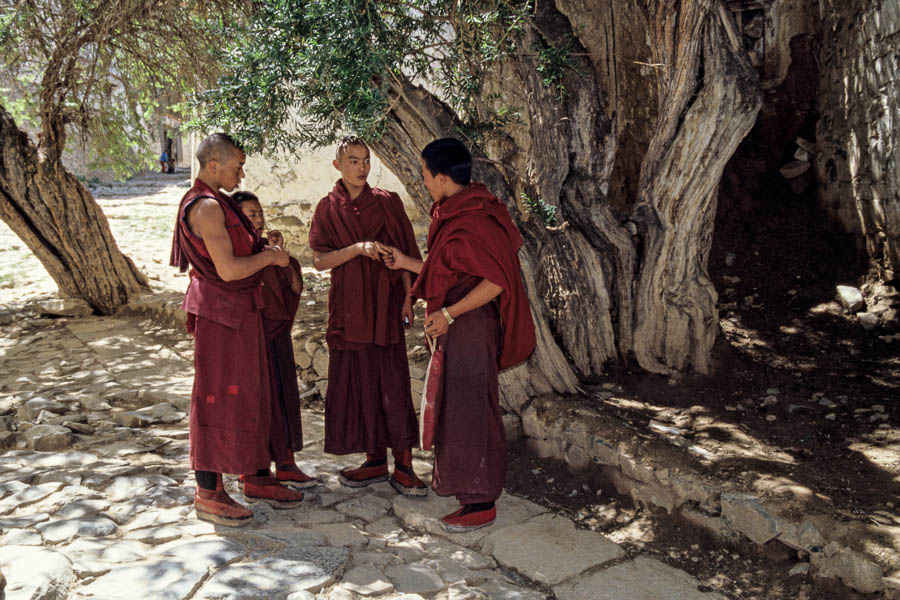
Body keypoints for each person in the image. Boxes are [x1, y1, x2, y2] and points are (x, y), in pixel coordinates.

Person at [381, 137, 536, 532]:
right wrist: (406, 264)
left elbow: (497, 281)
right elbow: (447, 268)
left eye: (425, 175)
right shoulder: (451, 212)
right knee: (456, 408)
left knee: (471, 409)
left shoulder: (477, 218)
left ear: (443, 176)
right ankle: (467, 492)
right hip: (456, 327)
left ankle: (482, 500)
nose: (424, 181)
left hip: (471, 326)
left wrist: (449, 313)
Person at [169, 133, 305, 527]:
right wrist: (269, 258)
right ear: (214, 166)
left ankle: (256, 475)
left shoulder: (222, 202)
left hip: (241, 312)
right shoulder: (207, 207)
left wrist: (263, 249)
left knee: (252, 396)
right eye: (237, 165)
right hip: (221, 315)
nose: (241, 172)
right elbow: (228, 270)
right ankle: (208, 492)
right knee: (216, 399)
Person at [308, 136, 426, 496]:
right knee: (359, 383)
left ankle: (404, 464)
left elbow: (406, 253)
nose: (361, 168)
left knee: (392, 380)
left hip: (385, 305)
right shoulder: (327, 208)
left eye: (365, 161)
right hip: (347, 307)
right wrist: (357, 249)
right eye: (353, 161)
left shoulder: (387, 204)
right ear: (338, 166)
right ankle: (375, 460)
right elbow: (319, 260)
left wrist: (407, 299)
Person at [233, 190, 318, 491]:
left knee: (283, 399)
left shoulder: (271, 251)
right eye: (250, 215)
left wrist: (280, 258)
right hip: (250, 343)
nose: (258, 220)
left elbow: (295, 287)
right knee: (258, 404)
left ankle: (286, 464)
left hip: (276, 339)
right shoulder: (234, 256)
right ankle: (254, 470)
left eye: (259, 214)